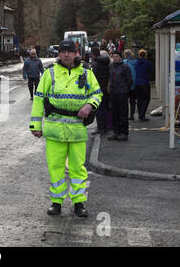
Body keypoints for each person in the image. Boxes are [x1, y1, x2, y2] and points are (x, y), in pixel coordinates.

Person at [29, 40, 102, 217]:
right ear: (59, 54)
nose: (67, 55)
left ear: (76, 53)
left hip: (77, 131)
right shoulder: (50, 73)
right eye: (63, 52)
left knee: (78, 168)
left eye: (70, 52)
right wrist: (35, 126)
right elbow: (39, 98)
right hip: (54, 129)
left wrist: (90, 105)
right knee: (56, 167)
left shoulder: (86, 72)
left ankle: (78, 203)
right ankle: (57, 202)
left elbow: (97, 93)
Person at [107, 50, 133, 141]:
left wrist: (125, 90)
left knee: (123, 114)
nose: (115, 58)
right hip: (113, 92)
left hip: (122, 93)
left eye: (117, 56)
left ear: (120, 57)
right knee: (114, 113)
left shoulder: (125, 67)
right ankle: (116, 132)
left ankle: (124, 133)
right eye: (113, 56)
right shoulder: (111, 67)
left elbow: (130, 80)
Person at [91, 47, 110, 135]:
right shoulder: (106, 62)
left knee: (98, 110)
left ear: (93, 54)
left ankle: (100, 128)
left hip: (98, 88)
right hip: (105, 87)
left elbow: (93, 78)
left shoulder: (95, 64)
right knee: (104, 108)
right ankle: (105, 127)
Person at [134, 49, 153, 121]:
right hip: (145, 82)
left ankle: (140, 114)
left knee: (139, 99)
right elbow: (151, 72)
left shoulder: (136, 63)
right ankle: (142, 114)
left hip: (137, 83)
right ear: (145, 55)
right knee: (146, 99)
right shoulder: (147, 63)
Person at [123, 49, 137, 120]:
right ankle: (132, 114)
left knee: (125, 101)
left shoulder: (124, 62)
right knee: (132, 101)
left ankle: (126, 114)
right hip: (134, 83)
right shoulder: (135, 62)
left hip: (126, 84)